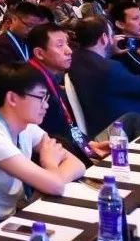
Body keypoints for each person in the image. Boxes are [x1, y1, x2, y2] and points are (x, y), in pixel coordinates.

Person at [0, 63, 86, 228]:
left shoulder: (21, 121)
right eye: (40, 97)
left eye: (47, 98)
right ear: (12, 98)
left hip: (9, 215)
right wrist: (50, 166)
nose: (46, 105)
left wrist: (49, 182)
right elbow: (56, 186)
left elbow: (77, 165)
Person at [26, 24, 117, 166]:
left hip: (74, 145)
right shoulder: (33, 87)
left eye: (67, 43)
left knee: (132, 120)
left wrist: (89, 145)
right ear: (39, 53)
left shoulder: (46, 76)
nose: (69, 51)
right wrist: (87, 152)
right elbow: (52, 138)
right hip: (58, 159)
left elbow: (67, 126)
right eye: (60, 45)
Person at [68, 17, 140, 134]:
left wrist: (109, 52)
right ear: (104, 38)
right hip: (132, 128)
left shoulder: (75, 59)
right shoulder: (110, 69)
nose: (113, 39)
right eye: (111, 35)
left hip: (104, 123)